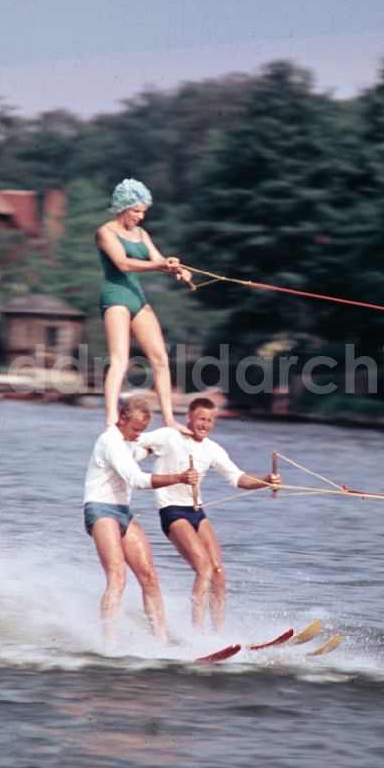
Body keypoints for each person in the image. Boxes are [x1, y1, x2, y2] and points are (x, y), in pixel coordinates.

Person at [137, 397, 281, 633]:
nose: (205, 424)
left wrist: (266, 481)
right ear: (189, 418)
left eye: (210, 420)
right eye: (201, 418)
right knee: (203, 568)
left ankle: (218, 633)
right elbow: (134, 440)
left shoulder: (212, 449)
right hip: (172, 512)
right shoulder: (170, 436)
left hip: (196, 511)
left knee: (218, 572)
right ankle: (198, 633)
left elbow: (238, 478)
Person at [82, 394, 198, 650]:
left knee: (149, 576)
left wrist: (176, 434)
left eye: (142, 430)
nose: (138, 434)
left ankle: (161, 643)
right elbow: (137, 480)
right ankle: (108, 645)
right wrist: (178, 477)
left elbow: (144, 447)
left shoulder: (127, 441)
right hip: (100, 510)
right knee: (118, 578)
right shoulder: (110, 442)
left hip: (123, 511)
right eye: (135, 429)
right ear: (122, 418)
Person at [97, 177, 193, 431]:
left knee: (160, 358)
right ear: (123, 207)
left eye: (143, 212)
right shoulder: (105, 233)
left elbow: (159, 260)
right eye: (136, 211)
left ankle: (170, 420)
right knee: (120, 359)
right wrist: (160, 266)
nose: (140, 217)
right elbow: (123, 264)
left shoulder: (142, 234)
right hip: (116, 295)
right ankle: (110, 420)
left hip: (137, 297)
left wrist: (178, 271)